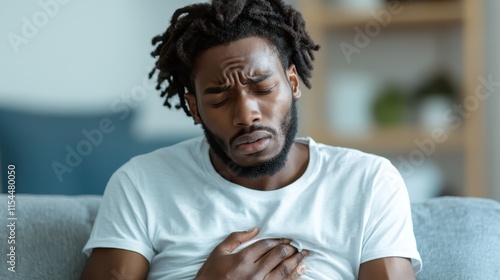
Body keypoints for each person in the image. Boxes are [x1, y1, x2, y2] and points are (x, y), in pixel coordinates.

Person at [81, 0, 422, 279]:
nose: (246, 115)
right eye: (218, 97)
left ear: (293, 82)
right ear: (194, 107)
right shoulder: (141, 184)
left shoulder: (369, 182)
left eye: (262, 87)